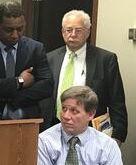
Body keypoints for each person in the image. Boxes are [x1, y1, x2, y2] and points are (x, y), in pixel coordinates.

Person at [41, 10, 128, 144]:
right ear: (62, 32)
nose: (73, 34)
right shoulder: (50, 58)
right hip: (54, 129)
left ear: (87, 32)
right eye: (68, 30)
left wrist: (117, 136)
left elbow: (117, 101)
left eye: (78, 30)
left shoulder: (105, 59)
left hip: (91, 131)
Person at [0, 1, 53, 121]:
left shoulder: (35, 49)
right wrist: (19, 81)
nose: (15, 35)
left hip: (27, 119)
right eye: (9, 30)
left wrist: (14, 98)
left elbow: (47, 86)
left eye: (20, 29)